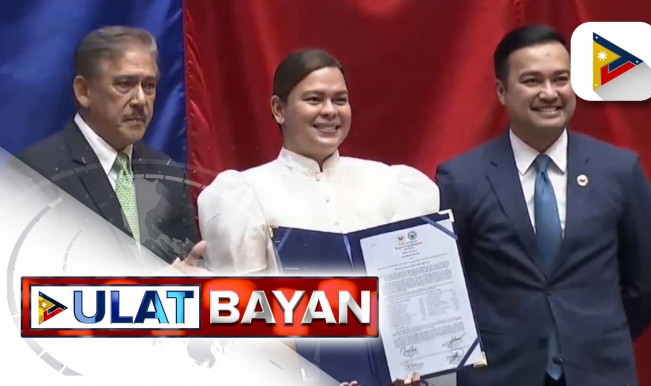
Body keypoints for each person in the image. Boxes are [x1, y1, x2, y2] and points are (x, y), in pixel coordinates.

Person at [435, 24, 651, 386]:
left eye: (561, 79)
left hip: (598, 371)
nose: (549, 93)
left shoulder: (620, 170)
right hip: (501, 373)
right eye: (531, 81)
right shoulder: (461, 178)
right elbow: (448, 288)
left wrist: (593, 333)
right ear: (501, 91)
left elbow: (647, 285)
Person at [198, 49, 438, 386]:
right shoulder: (243, 192)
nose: (330, 111)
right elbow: (245, 321)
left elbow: (414, 299)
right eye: (314, 99)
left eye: (340, 99)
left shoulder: (393, 184)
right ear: (279, 110)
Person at [16, 26, 200, 267]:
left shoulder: (169, 175)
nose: (140, 100)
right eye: (124, 84)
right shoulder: (35, 174)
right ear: (84, 91)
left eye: (149, 86)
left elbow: (184, 267)